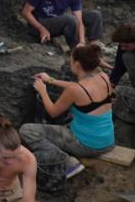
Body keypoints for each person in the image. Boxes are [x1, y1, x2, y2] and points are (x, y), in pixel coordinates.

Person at [23, 44, 116, 179]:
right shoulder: (103, 77)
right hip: (108, 141)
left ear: (77, 64)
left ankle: (67, 162)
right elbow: (81, 88)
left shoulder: (74, 91)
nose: (69, 63)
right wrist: (50, 80)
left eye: (70, 60)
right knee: (71, 118)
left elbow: (53, 112)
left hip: (88, 146)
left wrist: (43, 91)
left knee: (27, 130)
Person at [22, 0, 103, 49]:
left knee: (94, 15)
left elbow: (79, 20)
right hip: (40, 23)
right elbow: (26, 12)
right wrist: (41, 29)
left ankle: (94, 49)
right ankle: (76, 50)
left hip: (58, 19)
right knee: (70, 19)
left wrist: (82, 41)